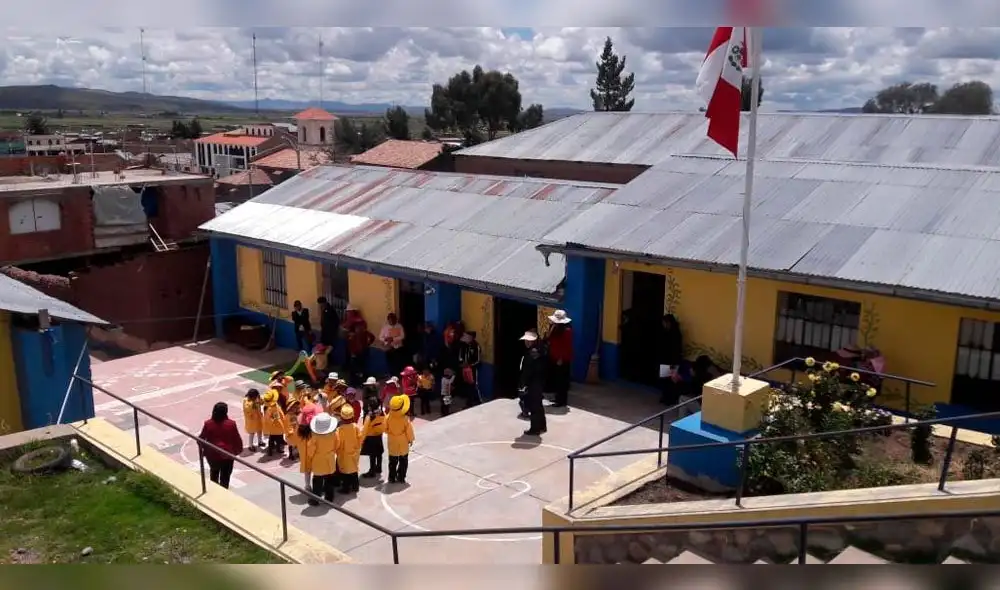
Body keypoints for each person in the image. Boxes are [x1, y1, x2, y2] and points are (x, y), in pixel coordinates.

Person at [198, 402, 243, 489]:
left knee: (214, 474)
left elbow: (200, 439)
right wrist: (237, 451)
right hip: (227, 455)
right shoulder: (231, 424)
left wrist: (204, 450)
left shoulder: (208, 423)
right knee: (225, 479)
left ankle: (214, 491)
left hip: (212, 455)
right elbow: (236, 438)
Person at [518, 330, 547, 436]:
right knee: (538, 405)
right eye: (526, 340)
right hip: (538, 382)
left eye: (528, 340)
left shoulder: (533, 353)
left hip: (534, 383)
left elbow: (528, 370)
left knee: (534, 406)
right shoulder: (538, 350)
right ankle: (542, 426)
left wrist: (524, 384)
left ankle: (535, 428)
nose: (526, 342)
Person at [305, 412, 338, 505]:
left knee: (317, 482)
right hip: (330, 460)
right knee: (329, 480)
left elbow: (310, 451)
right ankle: (329, 498)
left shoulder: (315, 437)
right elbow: (337, 444)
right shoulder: (334, 434)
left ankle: (315, 500)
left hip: (318, 462)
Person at [544, 310, 573, 408]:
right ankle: (557, 398)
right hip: (554, 357)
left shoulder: (566, 331)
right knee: (556, 379)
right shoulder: (555, 328)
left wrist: (561, 358)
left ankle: (561, 401)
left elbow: (566, 346)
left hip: (562, 359)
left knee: (562, 381)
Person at [333, 404, 363, 494]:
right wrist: (357, 447)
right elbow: (360, 438)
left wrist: (336, 450)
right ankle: (355, 486)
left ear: (341, 417)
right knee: (354, 470)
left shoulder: (339, 430)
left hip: (343, 454)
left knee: (345, 471)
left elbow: (337, 442)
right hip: (354, 452)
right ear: (352, 416)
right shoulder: (356, 427)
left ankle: (345, 489)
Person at [385, 394, 415, 484]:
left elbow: (385, 429)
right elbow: (409, 431)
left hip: (392, 442)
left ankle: (392, 477)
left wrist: (392, 433)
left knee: (392, 461)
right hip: (403, 442)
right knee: (403, 461)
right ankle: (401, 477)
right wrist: (410, 439)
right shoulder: (405, 419)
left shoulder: (388, 417)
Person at [657, 314, 685, 406]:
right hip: (665, 360)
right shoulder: (667, 333)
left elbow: (675, 350)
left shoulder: (675, 334)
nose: (663, 325)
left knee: (671, 381)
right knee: (665, 380)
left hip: (673, 360)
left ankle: (670, 399)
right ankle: (665, 397)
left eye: (665, 323)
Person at [361, 396, 386, 479]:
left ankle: (372, 471)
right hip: (379, 435)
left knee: (372, 455)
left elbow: (365, 429)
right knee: (379, 453)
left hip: (371, 437)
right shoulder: (382, 412)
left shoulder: (369, 416)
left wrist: (361, 440)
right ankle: (379, 468)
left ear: (370, 406)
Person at [458, 331, 482, 406]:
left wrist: (470, 365)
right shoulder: (464, 345)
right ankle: (470, 401)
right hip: (465, 368)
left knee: (474, 384)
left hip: (473, 369)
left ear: (471, 337)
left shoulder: (476, 346)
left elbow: (478, 360)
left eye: (467, 336)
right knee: (467, 385)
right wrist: (461, 362)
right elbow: (460, 356)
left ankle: (478, 401)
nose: (465, 337)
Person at [288, 421, 313, 489]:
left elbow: (290, 441)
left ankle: (308, 486)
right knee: (317, 472)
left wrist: (292, 429)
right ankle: (318, 487)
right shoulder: (314, 430)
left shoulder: (298, 431)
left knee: (307, 472)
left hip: (305, 456)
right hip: (315, 455)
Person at [261, 389, 286, 456]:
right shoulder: (273, 408)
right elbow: (276, 417)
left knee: (271, 439)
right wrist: (280, 422)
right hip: (276, 426)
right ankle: (276, 449)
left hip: (272, 427)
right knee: (277, 439)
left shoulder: (269, 407)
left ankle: (270, 451)